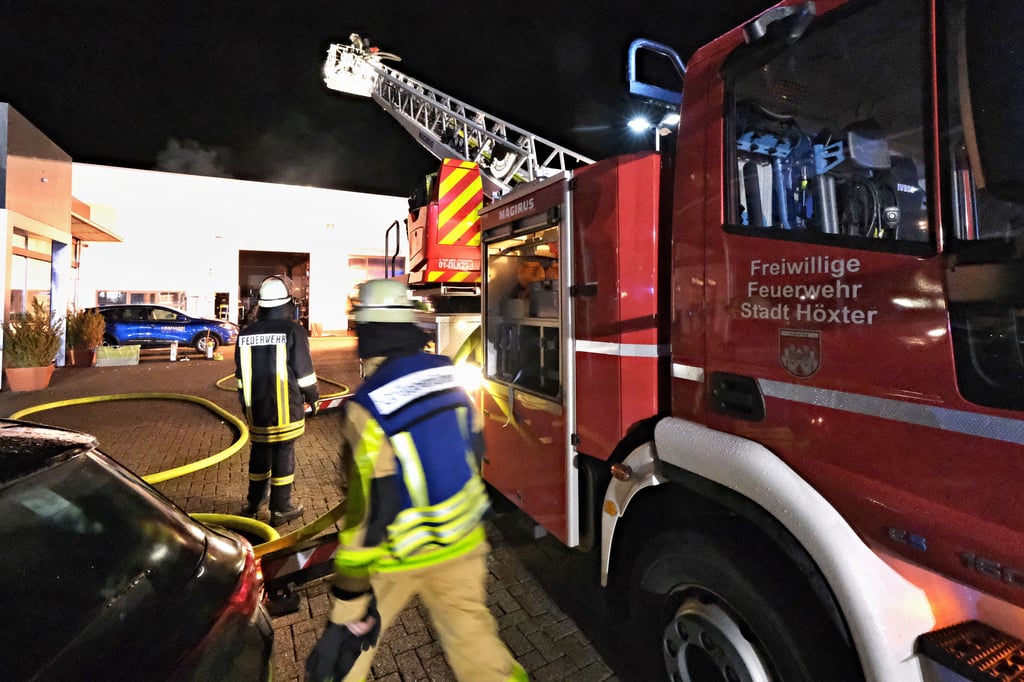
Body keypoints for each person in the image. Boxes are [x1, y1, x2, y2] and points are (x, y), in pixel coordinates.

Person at [305, 278, 526, 682]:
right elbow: (474, 446)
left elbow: (369, 511)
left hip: (396, 555)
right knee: (478, 649)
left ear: (366, 331)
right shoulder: (449, 375)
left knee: (343, 659)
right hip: (462, 543)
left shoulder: (366, 405)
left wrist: (349, 599)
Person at [235, 275, 319, 527]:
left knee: (260, 451)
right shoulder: (293, 330)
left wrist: (245, 405)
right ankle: (281, 508)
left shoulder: (246, 333)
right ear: (286, 303)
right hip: (286, 408)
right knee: (283, 452)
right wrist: (313, 398)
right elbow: (304, 372)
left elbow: (240, 375)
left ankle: (254, 501)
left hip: (256, 407)